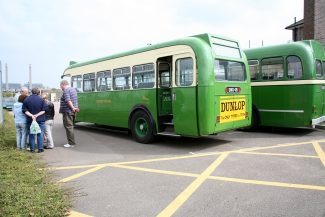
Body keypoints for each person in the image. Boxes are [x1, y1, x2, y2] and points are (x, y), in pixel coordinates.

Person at [22, 88, 48, 153]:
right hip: (40, 120)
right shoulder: (42, 100)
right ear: (38, 92)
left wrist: (32, 116)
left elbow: (24, 110)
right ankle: (40, 149)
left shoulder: (26, 99)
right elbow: (44, 110)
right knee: (40, 133)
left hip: (30, 120)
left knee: (31, 134)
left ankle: (32, 149)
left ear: (31, 92)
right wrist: (36, 115)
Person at [59, 80, 79, 148]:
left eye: (60, 85)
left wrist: (72, 108)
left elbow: (68, 100)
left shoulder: (66, 90)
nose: (60, 87)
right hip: (73, 111)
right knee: (71, 127)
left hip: (68, 111)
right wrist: (75, 108)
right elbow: (75, 100)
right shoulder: (73, 89)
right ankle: (71, 142)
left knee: (68, 127)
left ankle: (71, 143)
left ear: (63, 84)